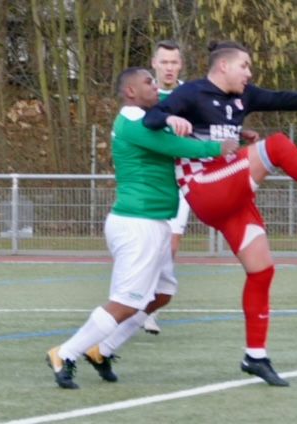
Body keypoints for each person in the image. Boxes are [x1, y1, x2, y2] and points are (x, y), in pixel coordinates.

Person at [143, 40, 297, 387]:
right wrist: (170, 117)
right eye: (244, 66)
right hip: (204, 187)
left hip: (230, 193)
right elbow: (151, 118)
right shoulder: (192, 93)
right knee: (276, 146)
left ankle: (256, 356)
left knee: (261, 269)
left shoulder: (243, 96)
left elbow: (284, 98)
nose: (249, 73)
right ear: (223, 67)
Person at [45, 67, 238, 389]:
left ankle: (102, 349)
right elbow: (176, 146)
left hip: (155, 223)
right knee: (126, 302)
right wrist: (218, 148)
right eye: (148, 82)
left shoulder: (147, 117)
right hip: (137, 224)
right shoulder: (132, 120)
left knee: (162, 294)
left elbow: (181, 118)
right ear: (130, 92)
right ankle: (65, 354)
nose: (155, 87)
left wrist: (228, 127)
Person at [142, 39, 185, 336]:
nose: (169, 67)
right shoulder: (146, 95)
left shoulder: (189, 93)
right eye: (164, 62)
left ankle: (150, 308)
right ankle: (137, 299)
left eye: (174, 62)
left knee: (171, 245)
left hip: (183, 179)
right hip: (153, 180)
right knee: (150, 245)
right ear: (154, 64)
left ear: (180, 65)